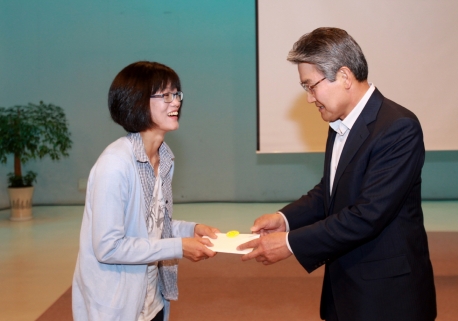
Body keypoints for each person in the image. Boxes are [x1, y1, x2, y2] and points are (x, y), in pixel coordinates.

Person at [238, 28, 436, 321]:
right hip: (347, 287)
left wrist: (291, 243)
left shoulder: (398, 127)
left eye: (311, 86)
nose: (309, 98)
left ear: (344, 77)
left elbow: (368, 214)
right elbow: (331, 191)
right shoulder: (341, 121)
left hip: (386, 296)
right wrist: (284, 219)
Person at [72, 61, 218, 321]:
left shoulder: (163, 157)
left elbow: (149, 223)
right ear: (137, 102)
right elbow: (108, 247)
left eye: (176, 94)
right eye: (165, 95)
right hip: (117, 305)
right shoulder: (115, 164)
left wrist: (190, 230)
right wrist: (178, 247)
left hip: (152, 299)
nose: (175, 103)